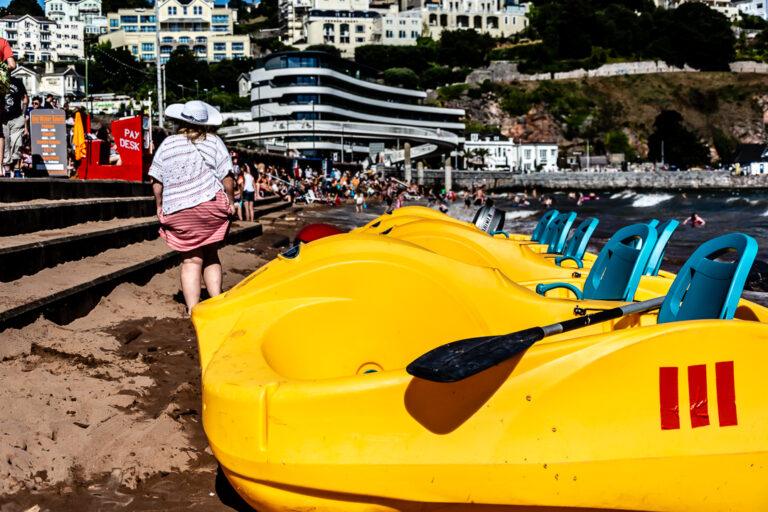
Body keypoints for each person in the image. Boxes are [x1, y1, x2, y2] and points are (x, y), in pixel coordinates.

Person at [148, 100, 235, 314]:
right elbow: (228, 178)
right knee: (211, 254)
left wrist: (159, 206)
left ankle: (192, 309)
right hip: (210, 206)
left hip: (179, 208)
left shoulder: (168, 144)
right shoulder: (214, 141)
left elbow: (156, 181)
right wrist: (231, 202)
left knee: (191, 259)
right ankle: (217, 303)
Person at [2, 75, 26, 176]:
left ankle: (15, 169)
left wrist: (23, 115)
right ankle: (7, 170)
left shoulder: (17, 81)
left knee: (17, 144)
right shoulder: (0, 81)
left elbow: (24, 98)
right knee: (6, 146)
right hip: (3, 119)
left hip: (17, 118)